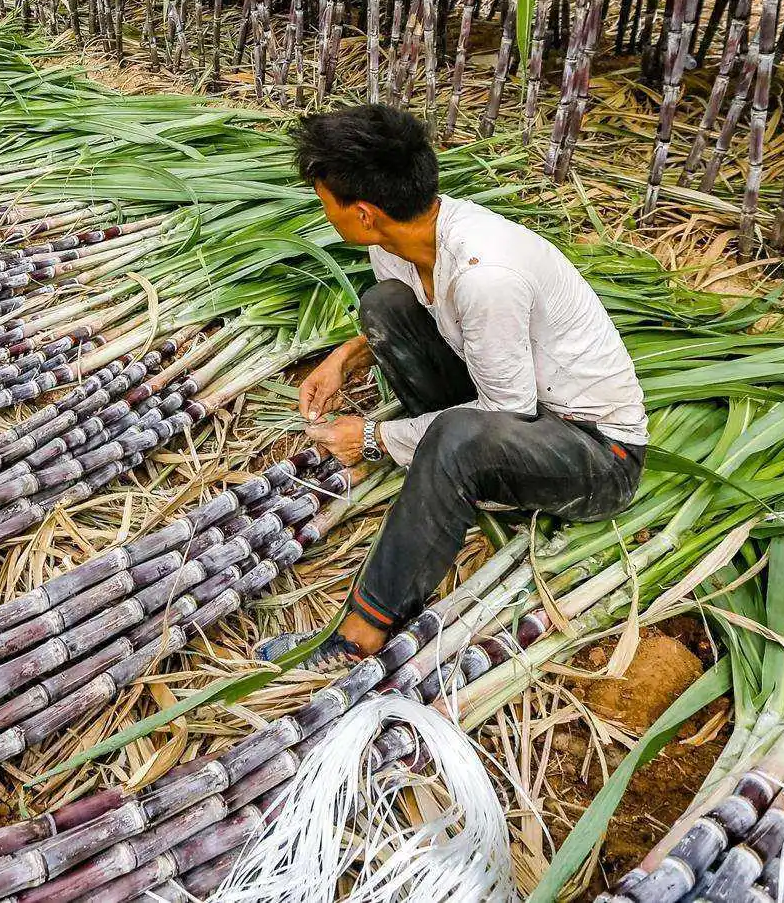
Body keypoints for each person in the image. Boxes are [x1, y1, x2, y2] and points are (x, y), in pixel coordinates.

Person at [265, 104, 646, 668]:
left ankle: (364, 630)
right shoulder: (400, 238)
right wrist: (346, 357)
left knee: (456, 437)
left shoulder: (484, 274)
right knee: (383, 306)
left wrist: (374, 437)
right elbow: (422, 317)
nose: (324, 213)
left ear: (365, 213)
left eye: (327, 201)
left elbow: (507, 411)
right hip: (513, 407)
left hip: (593, 452)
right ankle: (447, 463)